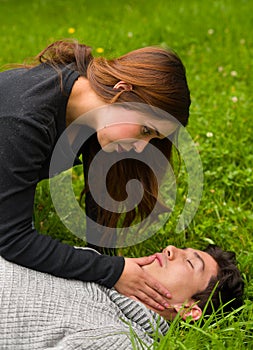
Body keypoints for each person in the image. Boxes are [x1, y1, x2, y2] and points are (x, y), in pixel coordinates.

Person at [0, 39, 191, 311]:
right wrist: (111, 271)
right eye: (146, 130)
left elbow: (99, 195)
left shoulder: (87, 107)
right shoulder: (27, 119)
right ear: (123, 90)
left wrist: (109, 261)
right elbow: (12, 240)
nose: (140, 148)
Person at [0, 244, 244, 349]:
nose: (171, 249)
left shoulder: (121, 340)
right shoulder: (97, 267)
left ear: (188, 309)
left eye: (190, 262)